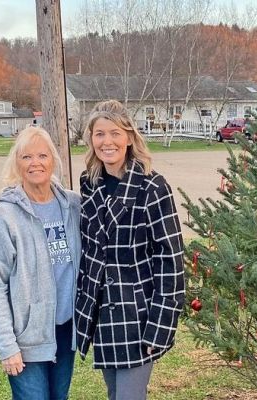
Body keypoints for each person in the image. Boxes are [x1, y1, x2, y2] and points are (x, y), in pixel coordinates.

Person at [75, 100, 185, 400]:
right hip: (102, 316)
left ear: (129, 137)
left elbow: (171, 262)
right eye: (99, 134)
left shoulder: (152, 187)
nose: (107, 141)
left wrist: (160, 327)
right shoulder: (89, 184)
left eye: (114, 133)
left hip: (138, 316)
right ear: (91, 139)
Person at [0, 127, 81, 400]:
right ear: (17, 164)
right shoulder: (4, 216)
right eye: (26, 157)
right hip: (26, 338)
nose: (35, 163)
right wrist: (7, 346)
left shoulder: (73, 206)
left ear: (53, 160)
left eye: (42, 155)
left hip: (64, 330)